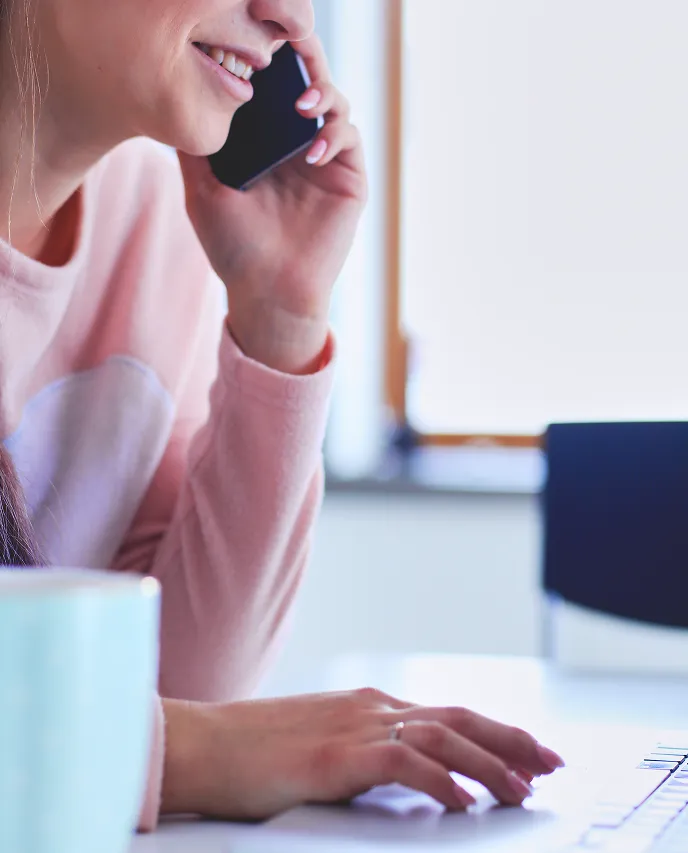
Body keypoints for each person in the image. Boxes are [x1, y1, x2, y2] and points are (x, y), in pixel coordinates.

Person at [0, 0, 565, 829]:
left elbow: (181, 687)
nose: (286, 15)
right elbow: (197, 739)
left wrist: (282, 318)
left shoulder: (167, 220)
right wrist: (212, 751)